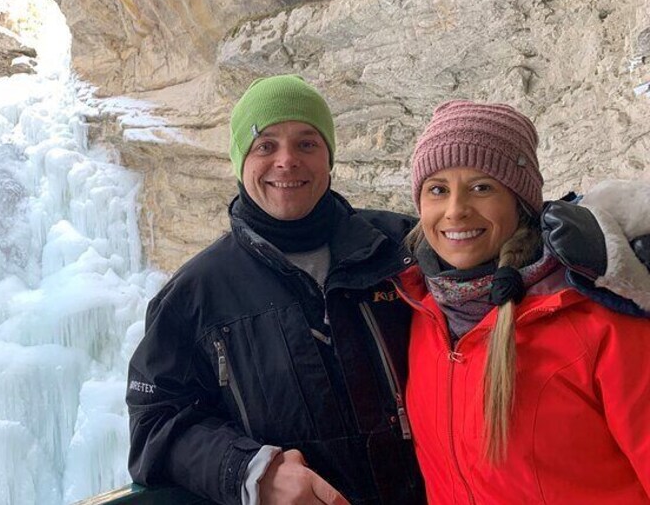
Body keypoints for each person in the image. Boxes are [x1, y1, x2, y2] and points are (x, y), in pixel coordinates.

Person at [126, 74, 424, 505]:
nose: (287, 161)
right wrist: (248, 470)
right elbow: (153, 427)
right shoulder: (196, 294)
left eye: (307, 144)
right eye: (265, 145)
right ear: (240, 160)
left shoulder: (401, 247)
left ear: (329, 157)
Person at [394, 100, 650, 504]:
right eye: (438, 190)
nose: (456, 210)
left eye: (482, 187)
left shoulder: (599, 317)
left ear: (521, 203)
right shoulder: (420, 311)